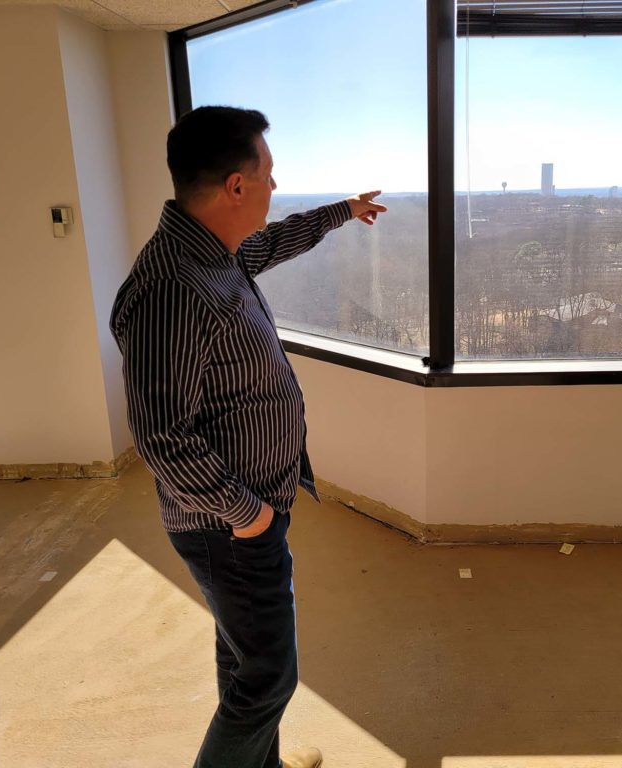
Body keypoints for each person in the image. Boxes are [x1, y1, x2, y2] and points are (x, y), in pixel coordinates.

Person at [109, 105, 386, 768]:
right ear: (237, 186)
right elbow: (162, 438)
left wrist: (340, 212)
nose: (275, 185)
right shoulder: (174, 289)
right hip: (228, 526)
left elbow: (267, 246)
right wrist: (252, 517)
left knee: (243, 662)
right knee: (267, 680)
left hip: (243, 515)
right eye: (267, 174)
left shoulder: (212, 255)